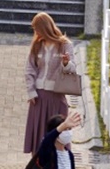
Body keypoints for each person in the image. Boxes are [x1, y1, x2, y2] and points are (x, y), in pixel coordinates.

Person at [23, 12, 79, 153]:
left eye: (37, 28)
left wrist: (66, 63)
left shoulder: (65, 45)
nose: (35, 32)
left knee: (58, 136)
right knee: (38, 138)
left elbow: (72, 69)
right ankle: (37, 168)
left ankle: (58, 168)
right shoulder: (37, 45)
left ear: (45, 27)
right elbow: (29, 69)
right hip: (38, 97)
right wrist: (31, 91)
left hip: (56, 96)